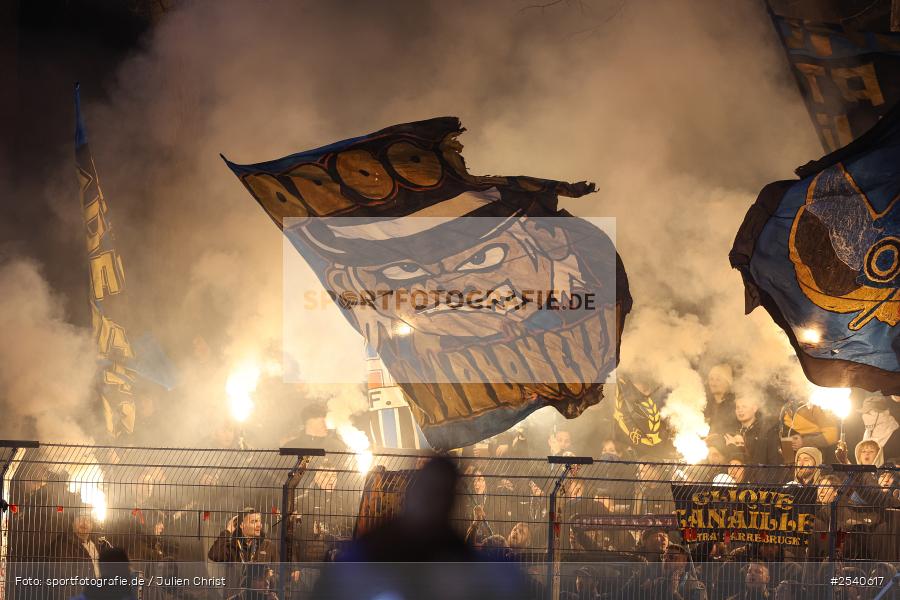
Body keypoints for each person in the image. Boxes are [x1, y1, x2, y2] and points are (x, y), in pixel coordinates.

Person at [208, 507, 278, 599]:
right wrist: (227, 531)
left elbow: (279, 571)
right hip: (239, 595)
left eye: (259, 521)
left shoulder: (268, 546)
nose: (259, 525)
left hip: (262, 596)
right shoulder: (233, 546)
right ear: (241, 525)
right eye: (253, 522)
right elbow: (214, 555)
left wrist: (270, 584)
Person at [69, 547, 136, 600]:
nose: (130, 571)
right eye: (128, 566)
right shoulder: (127, 595)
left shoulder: (88, 593)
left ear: (101, 568)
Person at [704, 364, 739, 437]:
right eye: (711, 379)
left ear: (727, 383)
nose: (713, 383)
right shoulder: (705, 404)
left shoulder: (735, 405)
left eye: (718, 380)